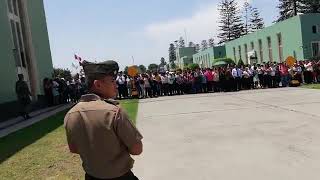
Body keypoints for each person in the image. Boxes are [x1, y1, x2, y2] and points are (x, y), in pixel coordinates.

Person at [64, 60, 143, 180]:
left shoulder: (71, 114)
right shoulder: (113, 111)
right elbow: (137, 149)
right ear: (98, 84)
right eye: (112, 81)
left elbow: (74, 149)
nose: (116, 85)